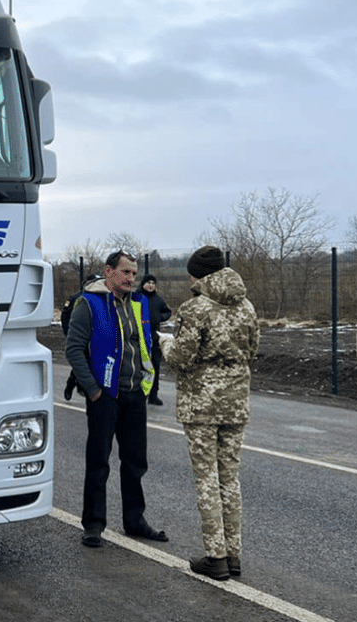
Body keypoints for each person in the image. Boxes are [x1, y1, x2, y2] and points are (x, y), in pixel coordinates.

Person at [163, 245, 258, 581]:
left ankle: (215, 556)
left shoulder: (195, 308)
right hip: (236, 402)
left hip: (201, 404)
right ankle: (234, 554)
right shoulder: (246, 306)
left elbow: (180, 358)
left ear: (198, 274)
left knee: (207, 478)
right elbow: (253, 350)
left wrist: (164, 343)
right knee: (230, 478)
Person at [64, 250, 166, 548]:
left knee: (135, 462)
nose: (131, 278)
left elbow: (144, 344)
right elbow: (74, 349)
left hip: (135, 394)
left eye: (134, 273)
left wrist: (146, 384)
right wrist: (92, 389)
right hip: (105, 396)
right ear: (109, 272)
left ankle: (135, 520)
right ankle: (93, 524)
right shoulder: (89, 303)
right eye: (125, 272)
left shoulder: (139, 303)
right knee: (99, 462)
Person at [140, 275, 173, 406]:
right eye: (148, 282)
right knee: (140, 365)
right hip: (138, 335)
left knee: (155, 365)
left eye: (153, 283)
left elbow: (168, 312)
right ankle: (139, 394)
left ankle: (153, 394)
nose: (151, 285)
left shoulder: (158, 299)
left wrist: (159, 317)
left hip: (153, 335)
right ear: (143, 284)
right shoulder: (136, 297)